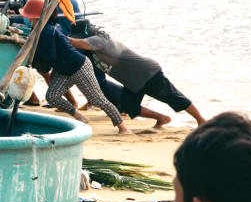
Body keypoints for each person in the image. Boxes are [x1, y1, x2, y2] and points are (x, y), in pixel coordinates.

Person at [22, 0, 130, 134]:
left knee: (97, 99)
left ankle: (122, 127)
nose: (28, 20)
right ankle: (79, 116)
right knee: (52, 96)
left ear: (35, 17)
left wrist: (39, 65)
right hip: (64, 70)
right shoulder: (39, 30)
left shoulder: (46, 31)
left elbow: (49, 57)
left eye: (29, 17)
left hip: (79, 67)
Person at [68, 23, 205, 127]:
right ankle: (161, 118)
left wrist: (62, 38)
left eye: (78, 37)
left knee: (173, 97)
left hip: (147, 73)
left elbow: (81, 43)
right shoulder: (91, 52)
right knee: (128, 106)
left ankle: (201, 121)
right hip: (131, 82)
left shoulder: (101, 40)